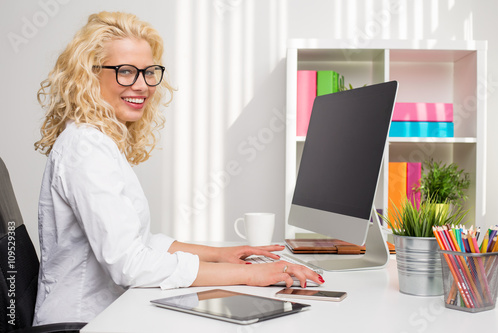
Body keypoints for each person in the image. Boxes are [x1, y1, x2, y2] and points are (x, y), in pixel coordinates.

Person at [33, 11, 324, 325]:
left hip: (109, 312)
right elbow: (129, 263)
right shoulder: (85, 148)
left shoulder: (99, 140)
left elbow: (140, 242)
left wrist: (221, 255)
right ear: (89, 75)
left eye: (149, 72)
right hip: (82, 322)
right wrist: (251, 275)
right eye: (126, 71)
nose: (142, 85)